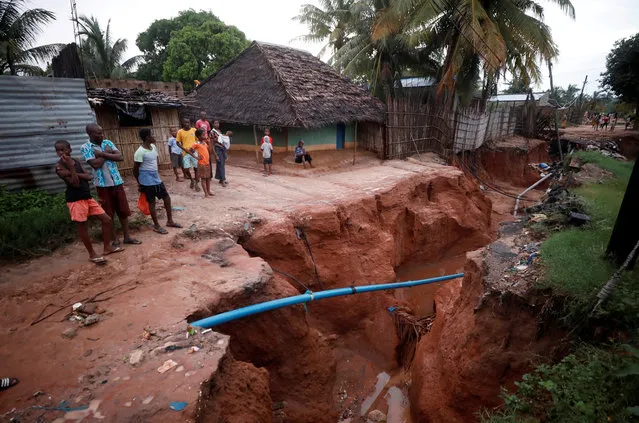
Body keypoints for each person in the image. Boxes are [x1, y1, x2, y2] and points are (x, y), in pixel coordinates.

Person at [55, 140, 120, 264]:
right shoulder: (59, 166)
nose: (61, 152)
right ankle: (92, 254)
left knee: (106, 219)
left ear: (70, 149)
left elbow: (89, 177)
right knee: (82, 227)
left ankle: (107, 248)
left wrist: (70, 171)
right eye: (58, 150)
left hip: (87, 197)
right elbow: (75, 182)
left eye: (63, 149)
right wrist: (71, 168)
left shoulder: (76, 161)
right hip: (75, 200)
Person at [82, 123, 141, 246]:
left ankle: (127, 237)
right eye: (98, 133)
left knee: (123, 211)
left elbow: (120, 157)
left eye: (101, 132)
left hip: (117, 182)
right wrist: (108, 154)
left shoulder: (107, 142)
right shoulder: (86, 147)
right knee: (108, 213)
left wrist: (102, 154)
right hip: (102, 186)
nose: (101, 135)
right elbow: (95, 165)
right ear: (90, 134)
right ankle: (115, 239)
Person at [133, 128, 182, 234]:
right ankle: (156, 225)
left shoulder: (153, 147)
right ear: (147, 138)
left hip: (156, 178)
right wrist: (139, 183)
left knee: (166, 198)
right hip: (146, 180)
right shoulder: (140, 152)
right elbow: (135, 170)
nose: (154, 136)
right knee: (152, 202)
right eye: (152, 135)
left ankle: (170, 221)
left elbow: (155, 162)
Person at [176, 118, 200, 191]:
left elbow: (198, 140)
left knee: (196, 168)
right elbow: (177, 143)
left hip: (194, 152)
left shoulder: (194, 130)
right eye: (185, 122)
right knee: (186, 169)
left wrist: (194, 147)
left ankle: (196, 183)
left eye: (188, 122)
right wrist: (185, 149)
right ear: (182, 123)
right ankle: (191, 180)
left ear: (190, 123)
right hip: (185, 153)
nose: (186, 124)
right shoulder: (180, 132)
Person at [193, 128, 216, 197]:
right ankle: (206, 193)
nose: (205, 136)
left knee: (208, 178)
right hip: (202, 164)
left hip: (207, 163)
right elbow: (190, 150)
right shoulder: (196, 143)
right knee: (203, 179)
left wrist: (211, 141)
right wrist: (196, 157)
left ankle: (208, 191)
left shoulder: (204, 143)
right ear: (199, 136)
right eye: (203, 135)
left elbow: (210, 150)